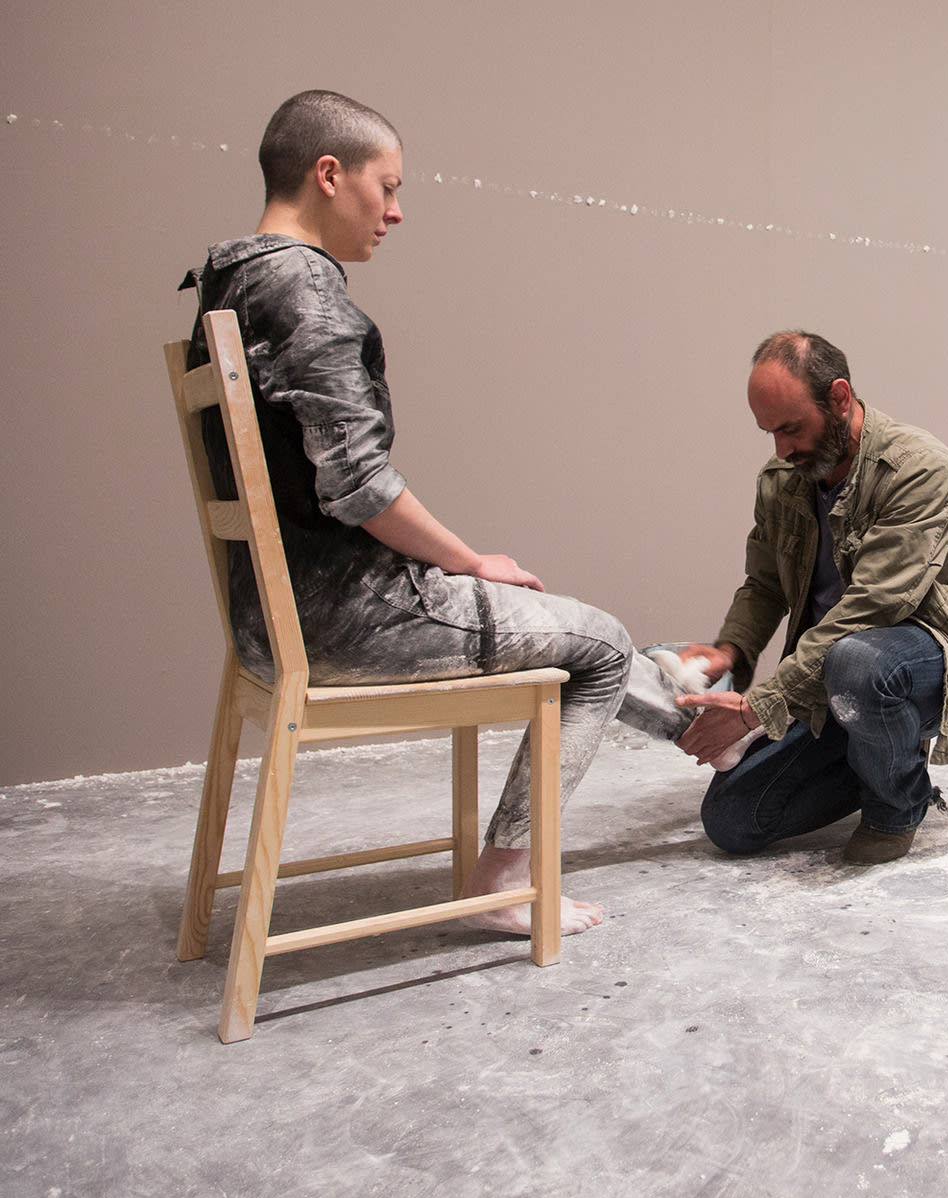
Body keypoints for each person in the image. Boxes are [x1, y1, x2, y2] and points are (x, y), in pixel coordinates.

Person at [182, 90, 656, 937]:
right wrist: (471, 560)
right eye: (387, 187)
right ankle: (508, 879)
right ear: (329, 175)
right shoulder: (304, 292)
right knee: (604, 646)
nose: (396, 212)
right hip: (347, 615)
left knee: (582, 634)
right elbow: (358, 486)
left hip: (267, 618)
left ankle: (699, 721)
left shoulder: (229, 281)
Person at [672, 331, 948, 864]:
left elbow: (872, 608)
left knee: (859, 663)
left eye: (792, 428)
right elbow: (764, 583)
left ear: (840, 397)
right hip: (829, 673)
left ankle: (899, 803)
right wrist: (728, 651)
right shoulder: (783, 478)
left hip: (917, 659)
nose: (780, 449)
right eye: (769, 432)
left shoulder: (919, 468)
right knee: (731, 822)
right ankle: (872, 755)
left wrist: (758, 710)